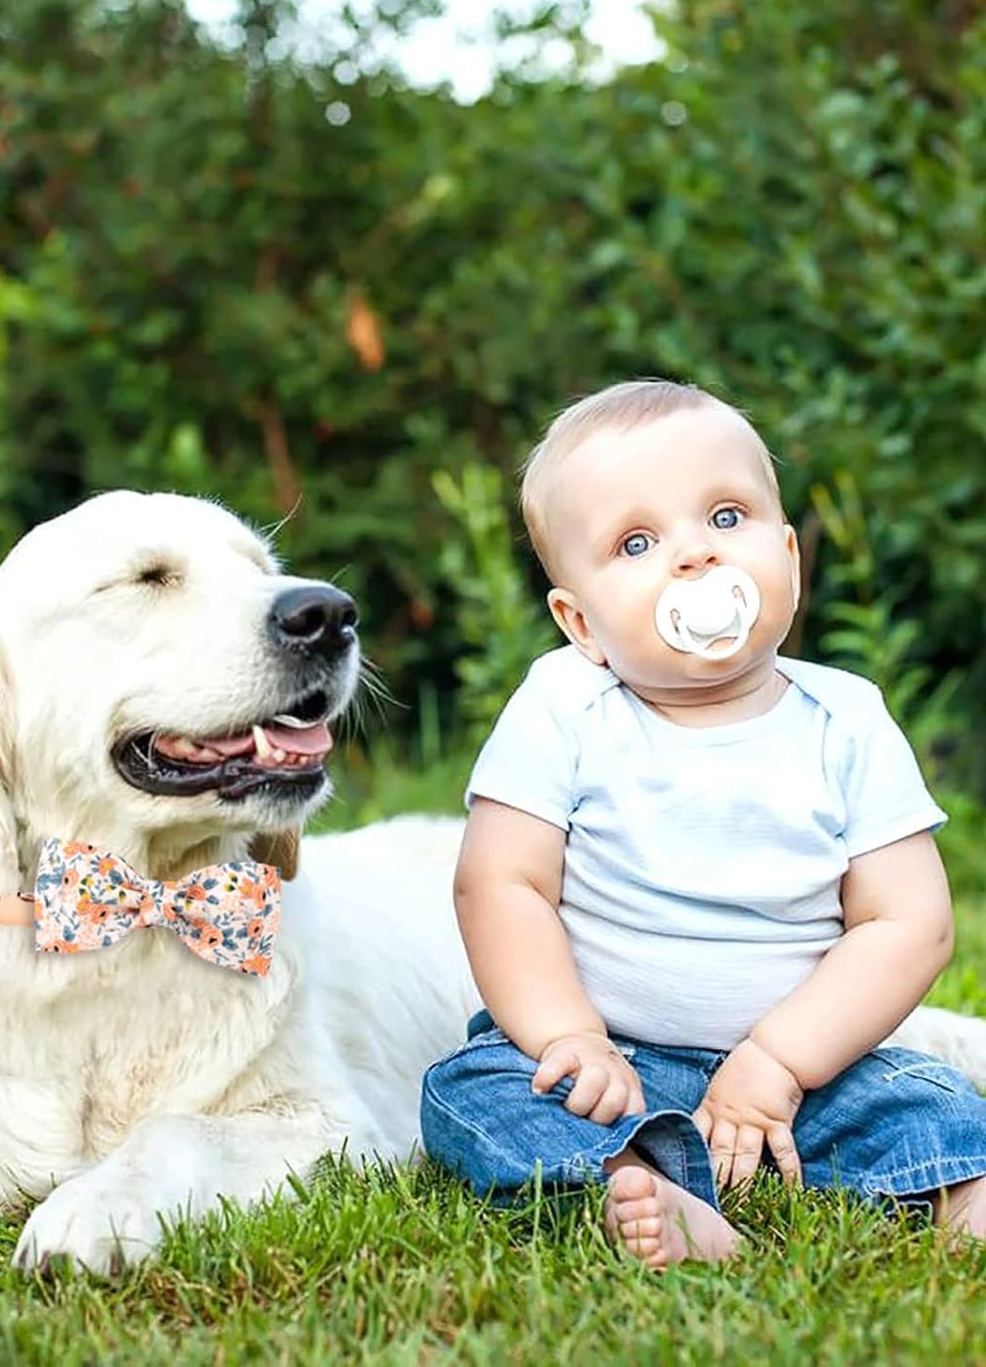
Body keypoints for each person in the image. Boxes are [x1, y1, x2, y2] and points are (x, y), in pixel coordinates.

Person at [419, 379, 986, 1268]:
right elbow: (501, 882)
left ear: (789, 559)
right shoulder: (563, 705)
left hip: (804, 1073)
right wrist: (568, 1036)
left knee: (926, 1098)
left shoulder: (846, 719)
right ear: (580, 622)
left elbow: (908, 922)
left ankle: (958, 1191)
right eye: (636, 541)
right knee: (469, 1090)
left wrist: (780, 1061)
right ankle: (637, 1177)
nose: (693, 556)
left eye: (726, 517)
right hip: (610, 1065)